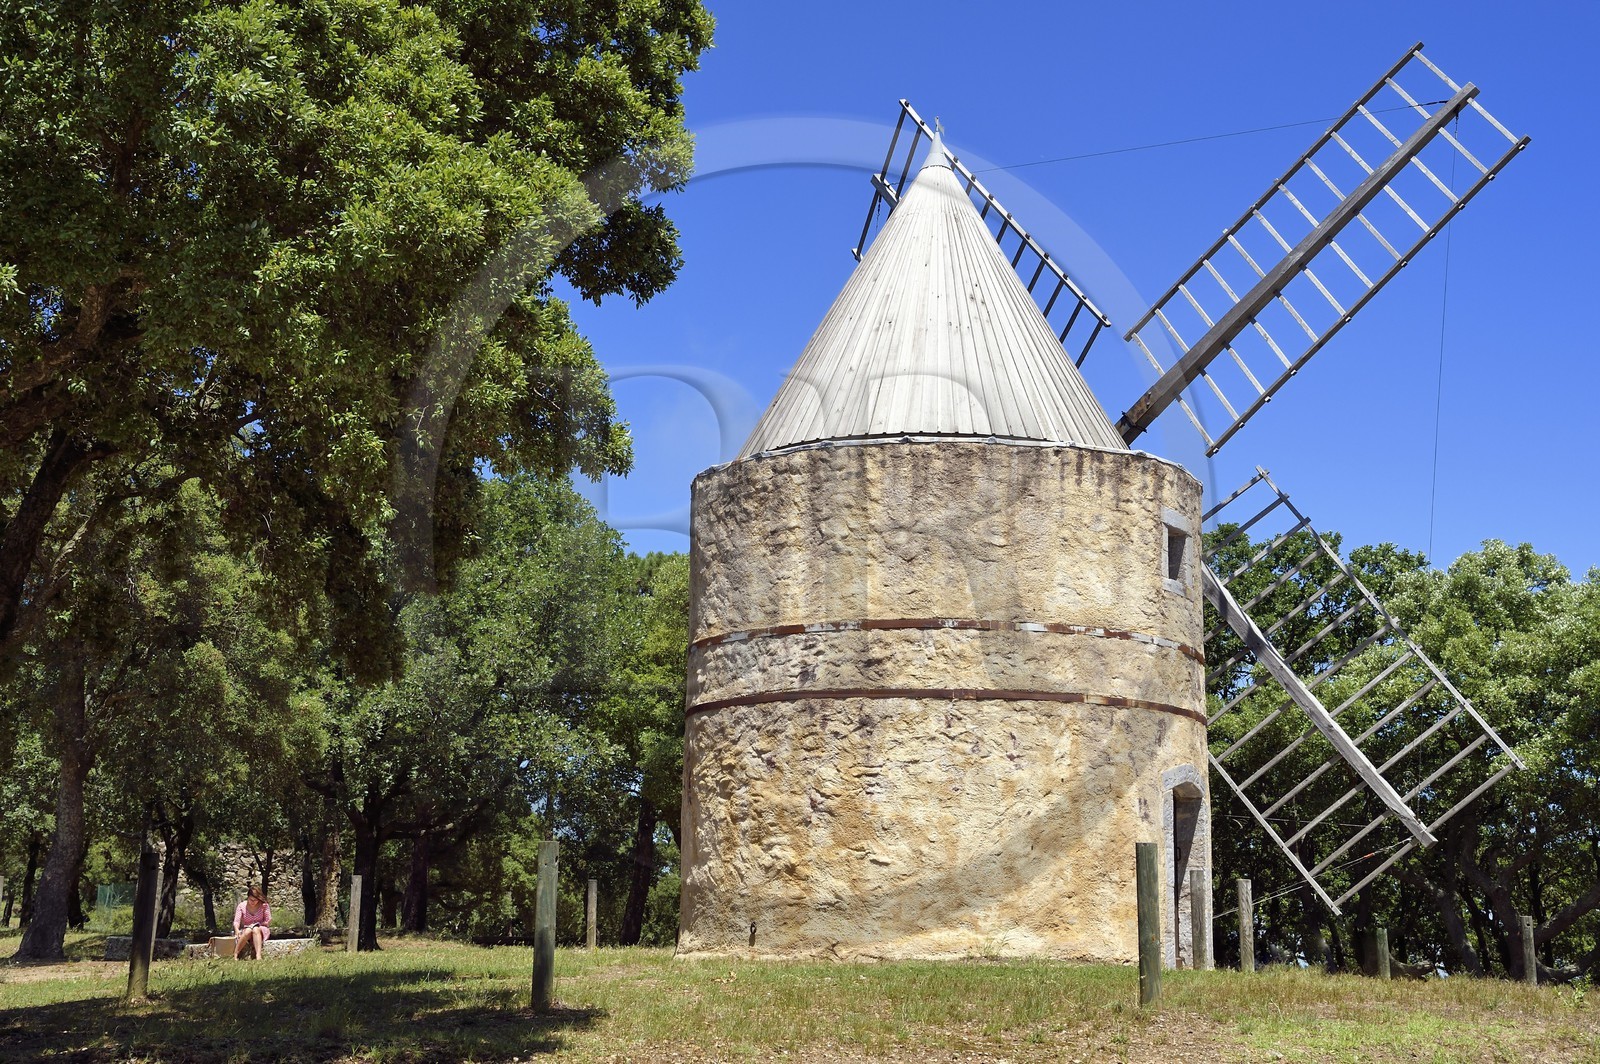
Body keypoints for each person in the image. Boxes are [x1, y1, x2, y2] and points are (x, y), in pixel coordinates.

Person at [232, 884, 272, 960]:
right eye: (251, 900)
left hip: (261, 928)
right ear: (248, 897)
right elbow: (237, 921)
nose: (253, 902)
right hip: (247, 928)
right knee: (248, 930)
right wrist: (236, 930)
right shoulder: (241, 906)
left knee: (255, 929)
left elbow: (268, 920)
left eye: (255, 900)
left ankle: (258, 955)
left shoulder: (264, 905)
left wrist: (258, 924)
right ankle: (236, 954)